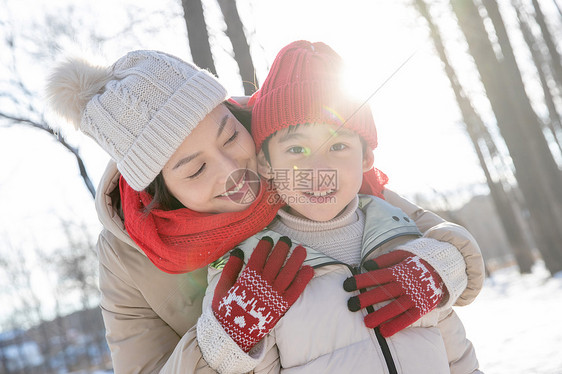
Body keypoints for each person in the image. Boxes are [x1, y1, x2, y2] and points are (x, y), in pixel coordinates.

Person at [46, 49, 484, 373]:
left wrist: (442, 264)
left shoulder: (285, 142)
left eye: (230, 137)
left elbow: (412, 225)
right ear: (162, 192)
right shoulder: (128, 257)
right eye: (196, 169)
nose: (232, 169)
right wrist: (224, 337)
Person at [194, 40, 483, 373]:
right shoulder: (252, 265)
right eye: (297, 150)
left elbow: (457, 354)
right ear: (265, 163)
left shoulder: (406, 237)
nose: (319, 168)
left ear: (367, 158)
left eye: (339, 145)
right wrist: (231, 343)